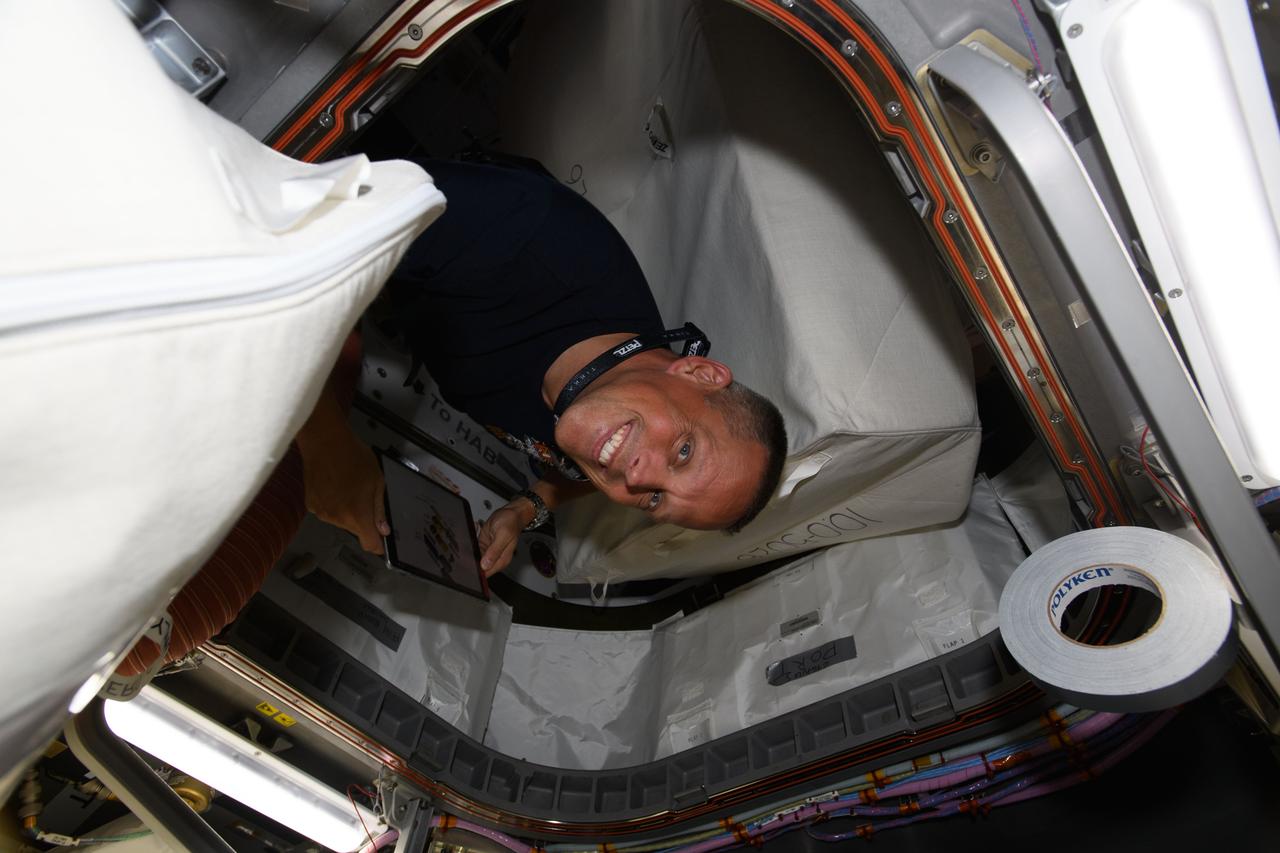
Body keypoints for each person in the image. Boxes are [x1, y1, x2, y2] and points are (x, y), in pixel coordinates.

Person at [297, 157, 787, 576]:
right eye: (683, 451)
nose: (638, 479)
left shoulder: (616, 423)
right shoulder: (528, 234)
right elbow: (285, 214)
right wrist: (328, 452)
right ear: (697, 373)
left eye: (655, 501)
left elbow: (578, 477)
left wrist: (524, 509)